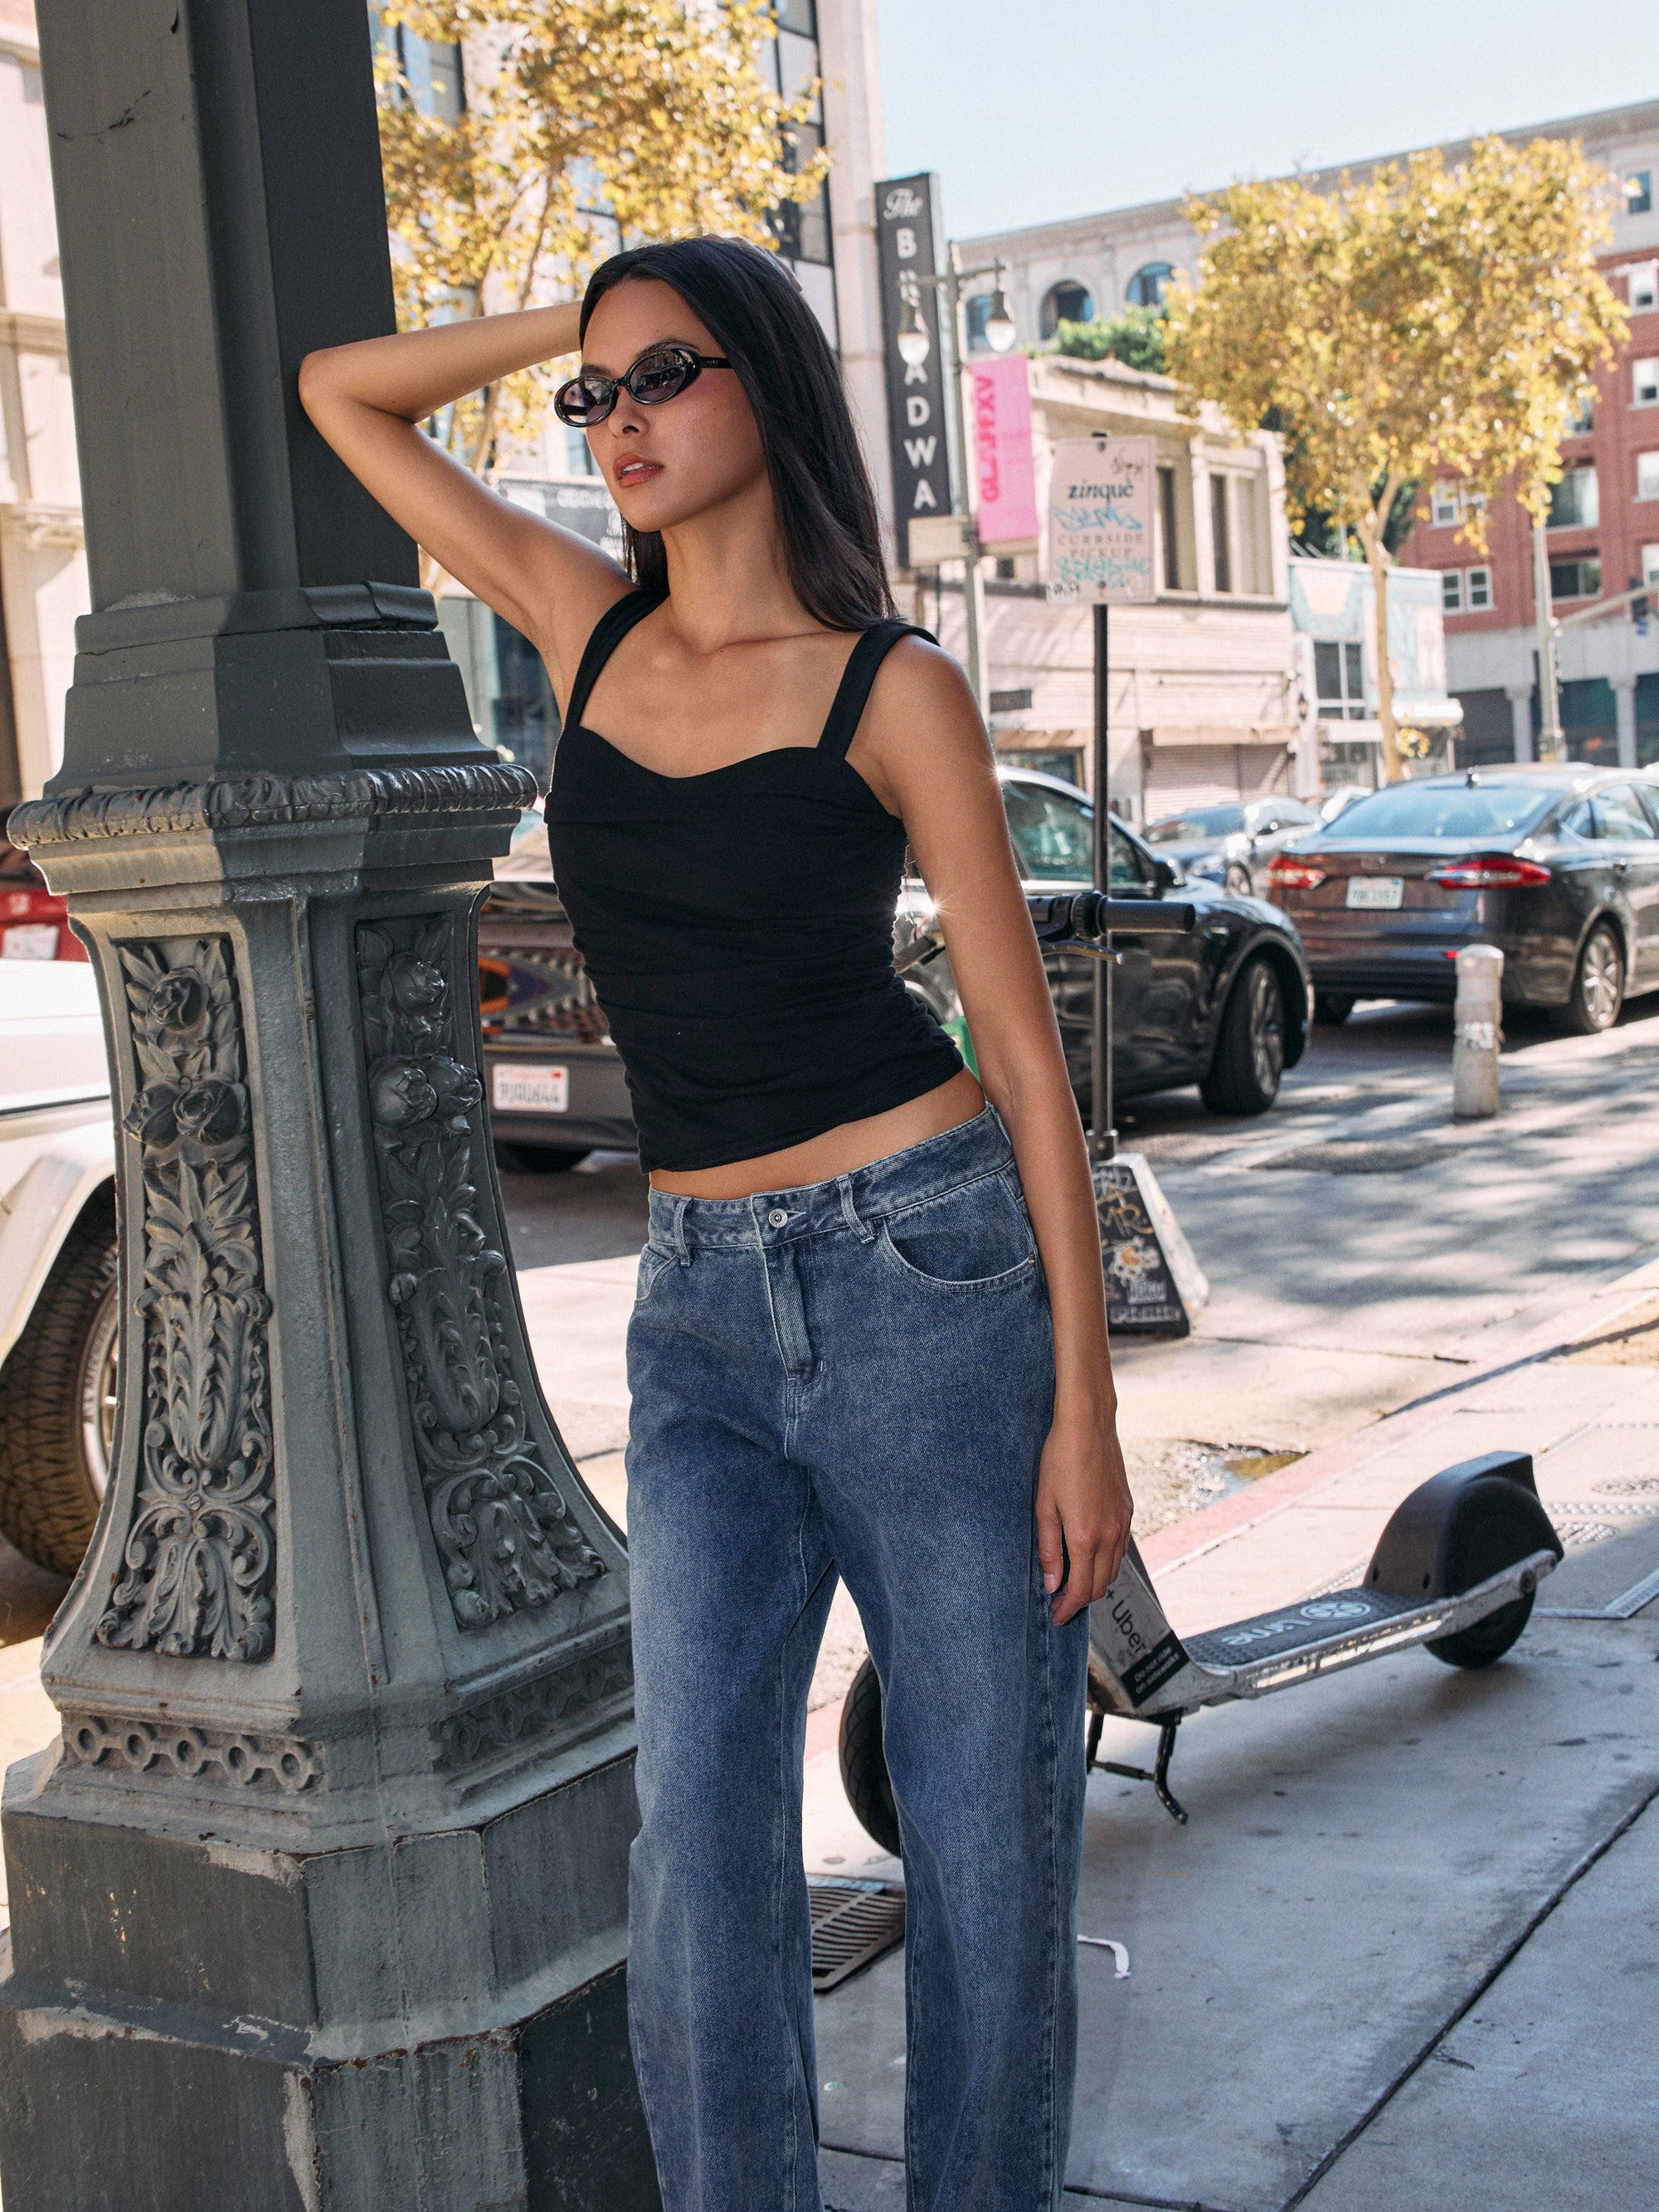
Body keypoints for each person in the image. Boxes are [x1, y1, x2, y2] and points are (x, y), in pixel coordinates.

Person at [299, 234, 1132, 2212]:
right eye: (595, 400)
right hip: (694, 1319)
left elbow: (1025, 1065)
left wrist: (1084, 1411)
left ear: (766, 374)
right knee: (692, 1846)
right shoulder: (584, 628)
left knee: (986, 1842)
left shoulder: (891, 686)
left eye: (664, 374)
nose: (618, 425)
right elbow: (344, 391)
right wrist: (576, 329)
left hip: (928, 1281)